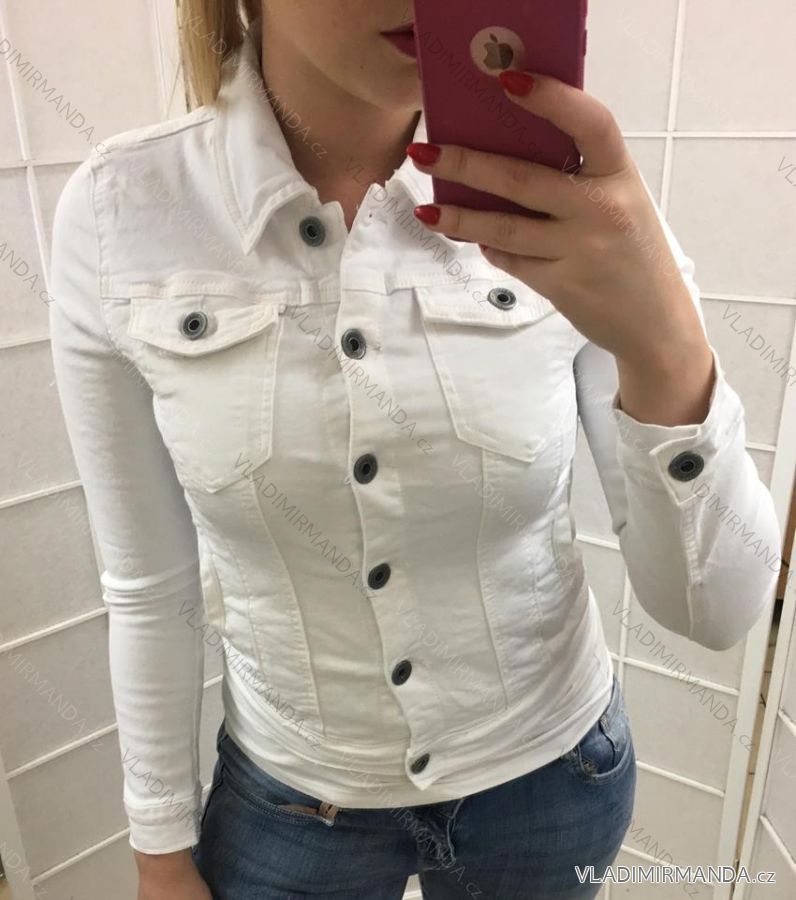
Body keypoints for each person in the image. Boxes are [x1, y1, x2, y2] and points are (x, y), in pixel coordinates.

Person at [47, 1, 781, 898]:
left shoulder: (571, 200)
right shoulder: (123, 214)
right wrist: (159, 850)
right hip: (292, 806)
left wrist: (667, 348)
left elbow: (716, 611)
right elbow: (149, 586)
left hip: (552, 781)